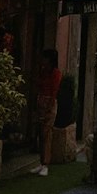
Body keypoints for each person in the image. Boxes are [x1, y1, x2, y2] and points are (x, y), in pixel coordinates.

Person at [35, 47, 62, 175]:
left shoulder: (55, 73)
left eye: (44, 58)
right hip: (41, 101)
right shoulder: (43, 72)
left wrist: (49, 106)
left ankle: (46, 163)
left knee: (46, 132)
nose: (42, 60)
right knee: (41, 133)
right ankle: (41, 162)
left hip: (49, 103)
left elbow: (54, 91)